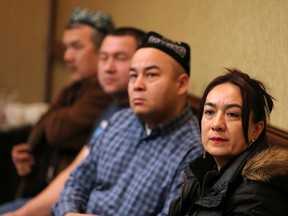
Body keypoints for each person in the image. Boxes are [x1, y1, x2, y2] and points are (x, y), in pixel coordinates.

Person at [52, 31, 203, 216]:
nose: (138, 85)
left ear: (181, 84)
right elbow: (76, 181)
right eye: (133, 75)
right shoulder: (120, 121)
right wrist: (70, 213)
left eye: (151, 75)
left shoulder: (193, 151)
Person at [0, 27, 146, 216]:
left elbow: (54, 132)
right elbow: (76, 174)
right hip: (64, 201)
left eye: (120, 57)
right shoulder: (110, 108)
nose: (109, 67)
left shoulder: (132, 114)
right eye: (104, 57)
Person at [3, 7, 114, 211]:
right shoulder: (72, 89)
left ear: (101, 50)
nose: (67, 57)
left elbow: (55, 132)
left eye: (76, 47)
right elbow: (44, 124)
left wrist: (45, 126)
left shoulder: (106, 94)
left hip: (68, 203)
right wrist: (30, 151)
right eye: (66, 47)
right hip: (43, 191)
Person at [169, 68, 288, 216]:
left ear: (256, 130)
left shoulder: (258, 195)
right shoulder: (203, 170)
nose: (217, 124)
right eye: (209, 112)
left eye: (232, 114)